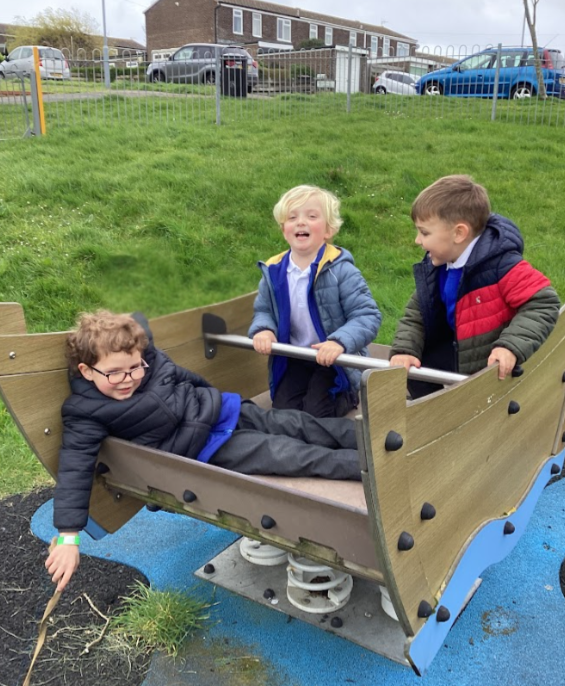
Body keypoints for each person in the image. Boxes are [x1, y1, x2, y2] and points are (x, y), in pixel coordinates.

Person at [46, 310, 362, 592]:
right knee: (288, 453)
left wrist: (210, 394)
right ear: (87, 371)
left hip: (221, 410)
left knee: (297, 423)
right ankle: (364, 465)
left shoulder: (148, 361)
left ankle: (367, 436)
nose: (128, 379)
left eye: (135, 367)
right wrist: (68, 537)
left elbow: (179, 370)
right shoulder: (85, 412)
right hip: (208, 447)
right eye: (115, 373)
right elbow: (74, 467)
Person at [389, 174, 560, 399]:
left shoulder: (501, 265)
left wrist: (510, 346)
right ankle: (435, 412)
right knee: (416, 371)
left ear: (459, 233)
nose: (417, 240)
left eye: (424, 232)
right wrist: (405, 350)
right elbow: (418, 312)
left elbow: (543, 302)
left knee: (482, 400)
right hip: (459, 350)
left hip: (490, 362)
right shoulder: (438, 265)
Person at [249, 185, 381, 418]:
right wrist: (264, 329)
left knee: (317, 411)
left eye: (311, 216)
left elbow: (367, 315)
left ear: (328, 230)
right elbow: (264, 310)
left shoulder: (341, 271)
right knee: (282, 411)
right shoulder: (273, 271)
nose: (301, 222)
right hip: (295, 356)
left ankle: (349, 394)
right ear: (284, 229)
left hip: (333, 360)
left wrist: (339, 342)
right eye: (292, 218)